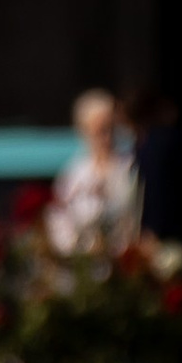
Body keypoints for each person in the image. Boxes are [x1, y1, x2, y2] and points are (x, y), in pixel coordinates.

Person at [46, 90, 138, 254]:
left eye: (111, 128)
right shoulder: (74, 174)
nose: (107, 137)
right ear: (85, 131)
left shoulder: (130, 166)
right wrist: (81, 248)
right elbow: (59, 222)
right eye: (100, 130)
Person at [126, 89, 182, 249]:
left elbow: (156, 190)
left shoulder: (157, 146)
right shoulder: (177, 141)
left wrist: (153, 230)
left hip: (166, 237)